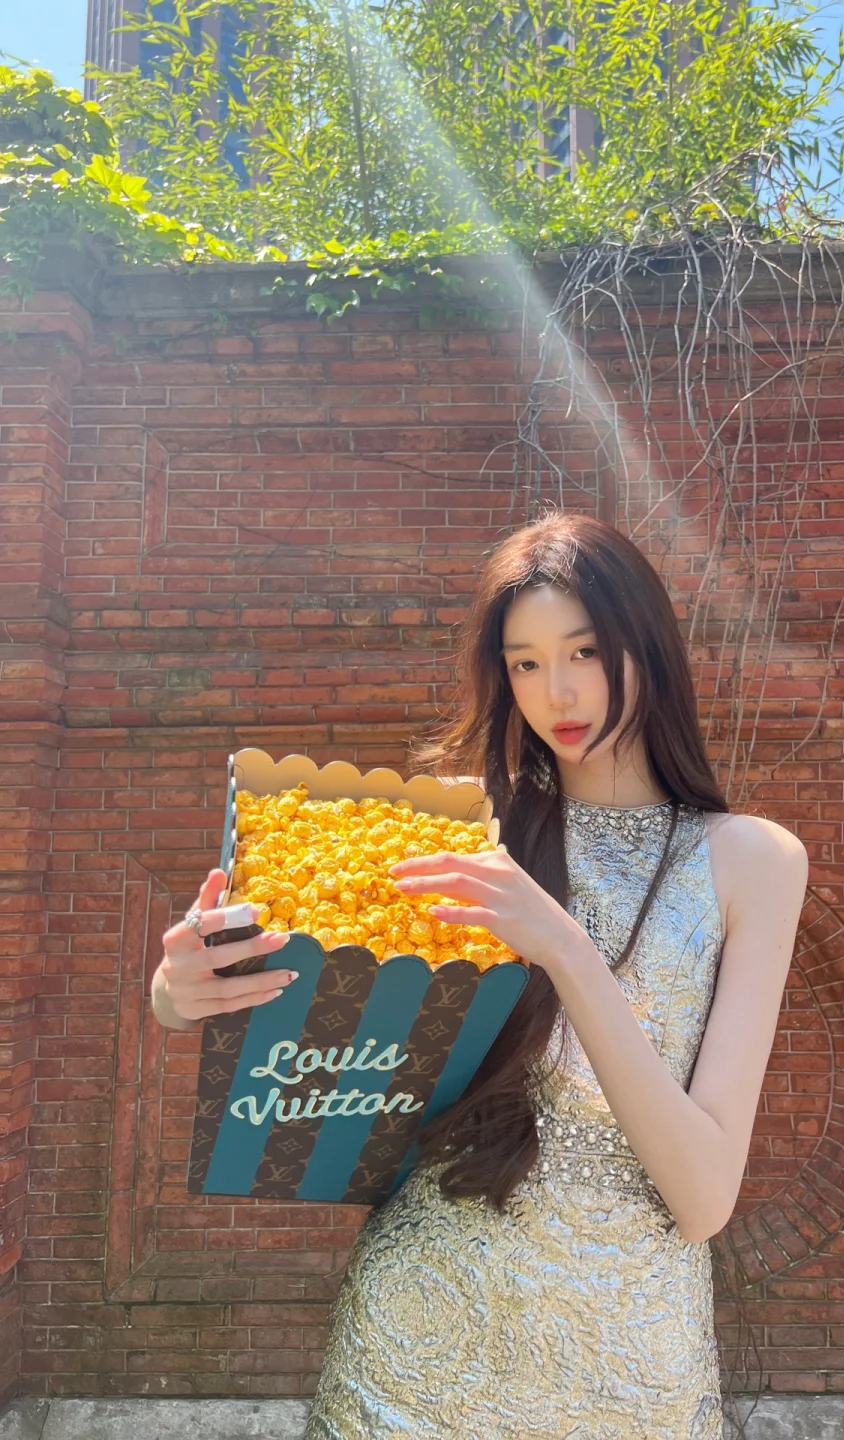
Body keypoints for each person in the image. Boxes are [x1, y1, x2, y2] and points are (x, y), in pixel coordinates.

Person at [152, 511, 808, 1440]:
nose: (558, 691)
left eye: (585, 651)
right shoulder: (464, 836)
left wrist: (566, 949)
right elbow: (309, 974)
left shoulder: (753, 861)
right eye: (525, 663)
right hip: (415, 1344)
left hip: (631, 1370)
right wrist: (179, 992)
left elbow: (702, 1199)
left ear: (648, 645)